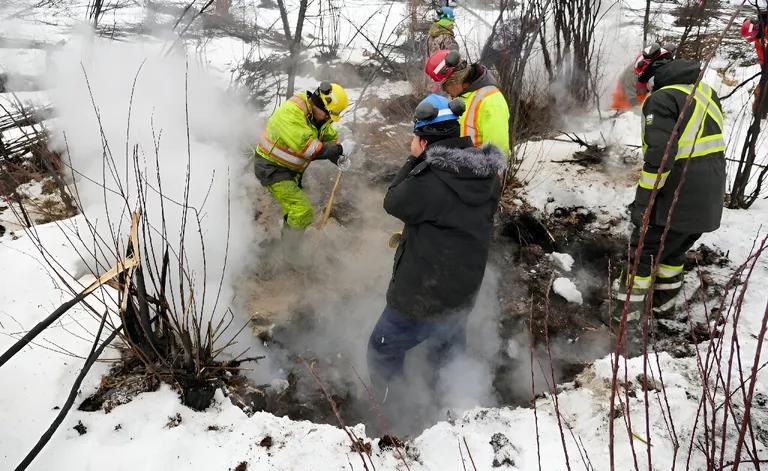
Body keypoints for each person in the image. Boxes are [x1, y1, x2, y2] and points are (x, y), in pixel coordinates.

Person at [367, 94, 506, 400]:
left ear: (426, 143)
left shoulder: (429, 181)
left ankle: (393, 410)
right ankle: (447, 410)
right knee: (446, 351)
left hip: (423, 294)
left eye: (416, 138)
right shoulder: (485, 174)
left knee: (382, 348)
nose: (412, 143)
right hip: (463, 288)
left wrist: (414, 160)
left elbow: (393, 201)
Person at [613, 53, 726, 326]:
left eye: (644, 83)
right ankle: (663, 311)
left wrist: (643, 205)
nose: (644, 89)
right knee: (672, 254)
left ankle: (624, 319)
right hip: (708, 199)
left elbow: (659, 159)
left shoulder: (662, 99)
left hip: (677, 197)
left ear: (652, 75)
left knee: (641, 254)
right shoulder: (705, 92)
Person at [254, 81, 350, 263]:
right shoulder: (291, 114)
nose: (328, 119)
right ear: (320, 103)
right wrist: (339, 150)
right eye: (328, 115)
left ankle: (289, 245)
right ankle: (291, 257)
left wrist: (340, 154)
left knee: (295, 210)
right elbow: (308, 148)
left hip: (290, 170)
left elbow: (327, 135)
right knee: (302, 211)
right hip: (271, 168)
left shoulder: (317, 116)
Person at [424, 49, 510, 156]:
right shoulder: (461, 96)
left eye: (444, 86)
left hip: (476, 171)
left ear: (455, 80)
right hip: (457, 169)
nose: (445, 91)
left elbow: (498, 154)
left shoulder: (490, 100)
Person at [610, 43, 676, 112]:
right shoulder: (654, 59)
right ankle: (625, 112)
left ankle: (622, 109)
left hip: (634, 76)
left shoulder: (661, 55)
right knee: (631, 100)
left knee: (636, 97)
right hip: (632, 77)